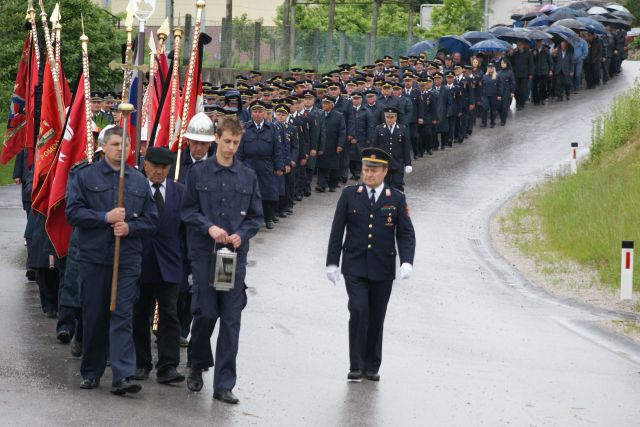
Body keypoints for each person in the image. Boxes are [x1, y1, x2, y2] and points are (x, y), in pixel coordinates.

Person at [66, 126, 158, 395]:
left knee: (122, 314)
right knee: (94, 314)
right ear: (103, 146)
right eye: (115, 143)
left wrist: (130, 227)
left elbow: (151, 219)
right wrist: (104, 218)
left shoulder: (139, 181)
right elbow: (73, 212)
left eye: (124, 144)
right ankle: (92, 371)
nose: (120, 148)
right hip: (95, 257)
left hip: (127, 259)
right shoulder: (86, 176)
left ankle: (122, 374)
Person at [182, 116, 263, 404]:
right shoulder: (198, 173)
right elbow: (187, 211)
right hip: (205, 254)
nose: (231, 147)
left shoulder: (247, 176)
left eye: (236, 143)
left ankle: (224, 384)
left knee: (231, 320)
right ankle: (197, 362)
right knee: (205, 313)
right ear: (216, 138)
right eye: (227, 141)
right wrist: (209, 227)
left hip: (233, 258)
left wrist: (242, 234)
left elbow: (256, 216)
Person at [326, 147, 416, 382]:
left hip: (383, 267)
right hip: (354, 265)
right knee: (358, 310)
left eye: (374, 171)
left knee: (377, 316)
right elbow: (337, 230)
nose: (369, 175)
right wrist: (332, 263)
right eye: (366, 170)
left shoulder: (396, 198)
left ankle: (371, 365)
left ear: (385, 172)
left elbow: (405, 233)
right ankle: (356, 365)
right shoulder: (349, 195)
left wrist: (406, 261)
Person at [132, 147, 186, 385]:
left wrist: (186, 262)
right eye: (154, 166)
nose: (158, 171)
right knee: (138, 314)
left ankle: (168, 366)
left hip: (170, 265)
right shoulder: (134, 189)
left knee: (170, 315)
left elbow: (186, 230)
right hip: (140, 263)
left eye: (164, 167)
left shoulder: (180, 192)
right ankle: (140, 363)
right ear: (145, 165)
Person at [237, 100, 284, 229]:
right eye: (255, 112)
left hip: (266, 164)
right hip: (248, 164)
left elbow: (277, 149)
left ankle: (268, 218)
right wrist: (238, 166)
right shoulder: (245, 128)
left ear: (265, 113)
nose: (257, 114)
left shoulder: (272, 128)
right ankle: (248, 218)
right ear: (251, 113)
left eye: (260, 112)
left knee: (268, 192)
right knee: (248, 192)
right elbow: (240, 149)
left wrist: (279, 166)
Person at [371, 107, 411, 191]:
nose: (389, 119)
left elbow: (406, 148)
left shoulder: (402, 129)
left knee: (397, 185)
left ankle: (396, 203)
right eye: (387, 117)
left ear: (396, 117)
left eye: (392, 117)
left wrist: (408, 163)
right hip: (383, 164)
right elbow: (374, 147)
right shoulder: (379, 128)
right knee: (384, 187)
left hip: (398, 163)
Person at [315, 95, 346, 193]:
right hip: (322, 145)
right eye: (323, 103)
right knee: (321, 166)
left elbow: (342, 131)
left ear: (332, 105)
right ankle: (321, 185)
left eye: (326, 103)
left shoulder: (339, 115)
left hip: (333, 144)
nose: (324, 105)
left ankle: (332, 184)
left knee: (333, 167)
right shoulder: (319, 114)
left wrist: (340, 145)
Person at [532, 39, 553, 105]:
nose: (539, 43)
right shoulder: (533, 50)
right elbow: (532, 61)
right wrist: (534, 55)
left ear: (542, 42)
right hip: (536, 71)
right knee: (534, 86)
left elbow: (550, 61)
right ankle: (536, 100)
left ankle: (543, 98)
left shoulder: (546, 50)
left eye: (540, 42)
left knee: (542, 85)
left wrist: (550, 70)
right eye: (537, 42)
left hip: (544, 71)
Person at [497, 59, 515, 126]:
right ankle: (502, 117)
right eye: (501, 63)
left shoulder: (510, 72)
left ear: (507, 64)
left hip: (507, 91)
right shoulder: (498, 72)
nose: (502, 64)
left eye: (504, 63)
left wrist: (512, 91)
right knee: (499, 106)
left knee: (505, 106)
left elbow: (512, 82)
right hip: (499, 92)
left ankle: (503, 120)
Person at [480, 63, 499, 128]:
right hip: (485, 95)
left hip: (494, 95)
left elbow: (500, 86)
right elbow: (481, 86)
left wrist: (499, 95)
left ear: (494, 68)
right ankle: (483, 122)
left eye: (491, 67)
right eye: (489, 67)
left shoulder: (497, 76)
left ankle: (492, 122)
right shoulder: (484, 76)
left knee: (493, 110)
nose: (490, 68)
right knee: (484, 109)